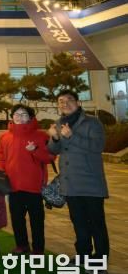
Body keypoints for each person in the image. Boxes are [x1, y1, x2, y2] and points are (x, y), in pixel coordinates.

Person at [47, 90, 110, 261]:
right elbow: (53, 150)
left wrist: (72, 136)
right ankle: (83, 254)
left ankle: (100, 258)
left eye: (69, 100)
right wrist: (55, 138)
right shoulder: (59, 123)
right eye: (61, 101)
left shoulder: (92, 122)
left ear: (78, 103)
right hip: (70, 183)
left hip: (91, 182)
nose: (65, 104)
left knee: (96, 223)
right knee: (78, 222)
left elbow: (98, 146)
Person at [0, 104, 52, 255]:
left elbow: (49, 158)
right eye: (17, 114)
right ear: (12, 117)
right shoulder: (5, 137)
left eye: (24, 114)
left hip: (34, 185)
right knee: (17, 219)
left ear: (30, 117)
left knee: (37, 220)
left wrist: (35, 150)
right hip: (13, 185)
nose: (19, 117)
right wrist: (1, 176)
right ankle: (22, 245)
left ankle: (38, 249)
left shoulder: (41, 136)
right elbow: (1, 158)